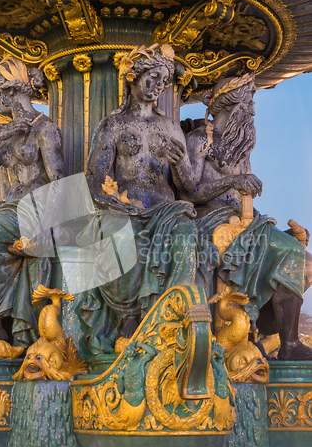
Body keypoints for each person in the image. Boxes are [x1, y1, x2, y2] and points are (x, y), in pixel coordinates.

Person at [82, 43, 216, 354]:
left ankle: (173, 311)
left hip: (165, 209)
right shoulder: (113, 125)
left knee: (185, 232)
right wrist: (110, 200)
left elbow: (190, 187)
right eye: (152, 77)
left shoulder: (168, 126)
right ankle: (130, 315)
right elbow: (96, 174)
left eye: (163, 81)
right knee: (119, 234)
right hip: (124, 206)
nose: (158, 86)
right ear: (133, 77)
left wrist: (182, 162)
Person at [182, 74, 312, 360]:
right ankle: (285, 344)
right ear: (228, 104)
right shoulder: (199, 140)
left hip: (245, 224)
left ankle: (280, 336)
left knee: (305, 262)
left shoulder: (241, 149)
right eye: (247, 102)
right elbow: (189, 190)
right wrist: (229, 183)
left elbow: (244, 198)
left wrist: (284, 235)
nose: (252, 111)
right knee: (293, 255)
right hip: (209, 221)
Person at [0, 57, 65, 348]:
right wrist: (0, 137)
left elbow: (58, 181)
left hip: (35, 210)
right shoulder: (7, 135)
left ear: (10, 92)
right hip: (12, 211)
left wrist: (45, 231)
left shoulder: (43, 128)